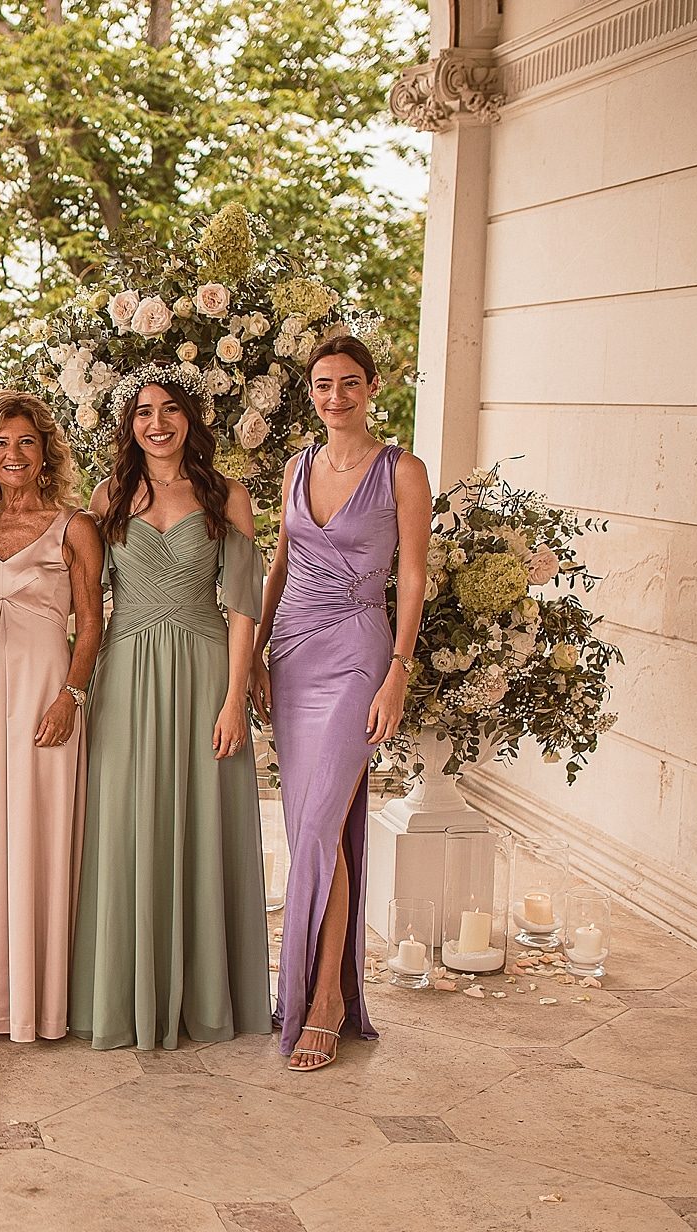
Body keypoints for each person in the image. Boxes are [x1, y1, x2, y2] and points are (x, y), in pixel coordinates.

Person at [69, 367, 272, 1051]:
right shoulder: (108, 495)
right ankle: (126, 997)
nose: (157, 423)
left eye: (170, 410)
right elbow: (82, 596)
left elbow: (244, 605)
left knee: (204, 818)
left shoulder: (228, 495)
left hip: (206, 665)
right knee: (125, 822)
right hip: (124, 672)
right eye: (143, 413)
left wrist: (235, 698)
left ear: (191, 418)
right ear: (128, 426)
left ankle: (209, 996)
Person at [252, 336, 431, 1071]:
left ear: (373, 387)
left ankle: (324, 999)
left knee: (324, 824)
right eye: (323, 385)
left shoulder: (403, 470)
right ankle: (309, 984)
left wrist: (398, 672)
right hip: (292, 652)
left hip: (360, 652)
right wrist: (256, 654)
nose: (335, 398)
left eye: (348, 384)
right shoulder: (297, 467)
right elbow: (281, 563)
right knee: (308, 832)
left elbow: (414, 578)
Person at [0, 392, 102, 1041]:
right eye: (1, 443)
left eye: (26, 443)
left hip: (44, 690)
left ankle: (36, 1001)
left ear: (45, 455)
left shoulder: (76, 526)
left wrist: (71, 696)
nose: (13, 454)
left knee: (38, 831)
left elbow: (91, 622)